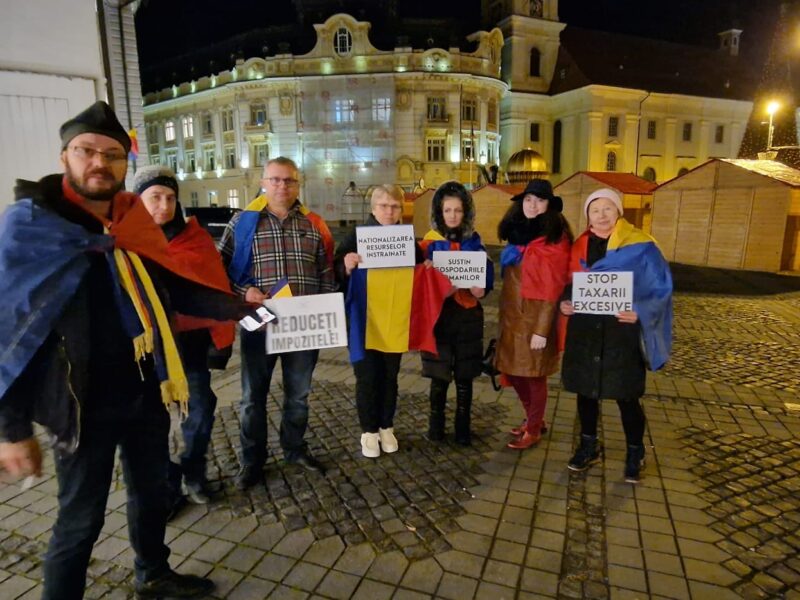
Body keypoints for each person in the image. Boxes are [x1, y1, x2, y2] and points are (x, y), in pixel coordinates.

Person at [0, 101, 256, 600]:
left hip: (146, 391)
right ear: (65, 157)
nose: (99, 162)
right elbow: (10, 332)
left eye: (112, 154)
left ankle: (153, 572)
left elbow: (171, 290)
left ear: (124, 164)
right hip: (82, 405)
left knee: (152, 491)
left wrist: (240, 308)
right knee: (80, 518)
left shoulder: (131, 221)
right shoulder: (33, 226)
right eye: (86, 151)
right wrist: (11, 431)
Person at [219, 157, 337, 487]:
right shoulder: (242, 223)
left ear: (298, 185)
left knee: (298, 395)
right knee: (252, 398)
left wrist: (323, 315)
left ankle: (294, 449)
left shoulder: (315, 224)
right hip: (260, 324)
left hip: (303, 325)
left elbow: (326, 273)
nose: (282, 186)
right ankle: (252, 461)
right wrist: (245, 290)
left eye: (289, 181)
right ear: (263, 182)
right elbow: (220, 270)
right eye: (275, 179)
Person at [134, 165, 235, 506]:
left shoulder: (196, 239)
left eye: (170, 198)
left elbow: (215, 287)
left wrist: (220, 342)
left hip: (188, 348)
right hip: (145, 351)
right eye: (154, 197)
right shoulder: (126, 243)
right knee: (151, 423)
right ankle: (166, 483)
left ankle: (193, 470)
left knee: (201, 409)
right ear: (138, 201)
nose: (163, 205)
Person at [560, 188, 672, 483]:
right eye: (595, 210)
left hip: (622, 333)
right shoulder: (578, 245)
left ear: (619, 211)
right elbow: (569, 283)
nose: (601, 215)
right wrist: (565, 302)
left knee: (627, 396)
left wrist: (640, 311)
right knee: (586, 393)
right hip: (585, 331)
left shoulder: (641, 245)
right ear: (587, 215)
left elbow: (659, 288)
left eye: (608, 208)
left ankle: (635, 451)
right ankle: (588, 445)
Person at [495, 179, 572, 449]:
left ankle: (535, 428)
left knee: (533, 375)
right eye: (528, 199)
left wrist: (541, 329)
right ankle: (534, 419)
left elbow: (552, 288)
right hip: (513, 318)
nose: (533, 205)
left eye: (540, 200)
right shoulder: (518, 237)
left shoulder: (554, 241)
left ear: (549, 205)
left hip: (536, 319)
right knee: (514, 372)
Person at [419, 181, 493, 446]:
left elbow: (486, 286)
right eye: (447, 210)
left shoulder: (476, 246)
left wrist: (479, 288)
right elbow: (418, 285)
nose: (452, 215)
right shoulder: (428, 245)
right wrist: (428, 276)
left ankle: (463, 429)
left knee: (465, 377)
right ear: (439, 212)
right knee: (438, 378)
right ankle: (435, 428)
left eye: (457, 210)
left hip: (467, 318)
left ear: (466, 213)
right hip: (438, 318)